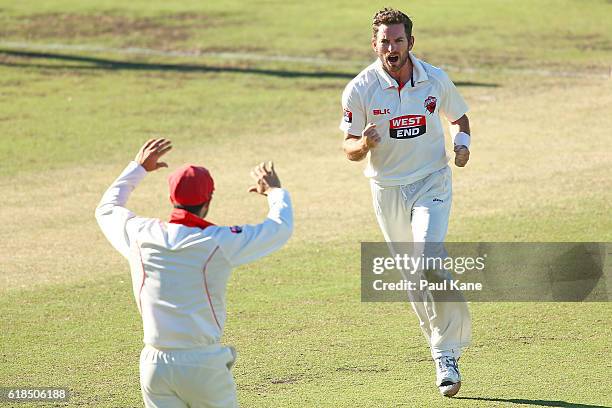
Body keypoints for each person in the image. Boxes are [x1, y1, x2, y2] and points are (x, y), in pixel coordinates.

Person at [95, 138, 293, 407]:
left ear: (170, 199)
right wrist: (274, 192)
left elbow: (107, 208)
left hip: (154, 365)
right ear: (208, 200)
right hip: (202, 364)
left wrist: (138, 167)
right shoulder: (218, 242)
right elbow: (278, 229)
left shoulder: (140, 234)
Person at [339, 8, 472, 397]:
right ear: (374, 44)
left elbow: (459, 118)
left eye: (398, 40)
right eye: (384, 41)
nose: (391, 48)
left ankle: (446, 353)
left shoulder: (434, 79)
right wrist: (363, 144)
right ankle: (440, 345)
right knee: (413, 277)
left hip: (431, 180)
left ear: (410, 43)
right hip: (387, 190)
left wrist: (461, 147)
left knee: (427, 259)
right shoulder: (360, 88)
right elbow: (347, 146)